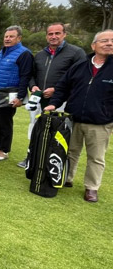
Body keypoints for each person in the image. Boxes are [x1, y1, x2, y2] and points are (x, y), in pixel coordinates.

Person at [44, 29, 113, 203]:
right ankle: (66, 178)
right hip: (73, 117)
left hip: (100, 122)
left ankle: (92, 188)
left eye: (112, 41)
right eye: (104, 41)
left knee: (96, 157)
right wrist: (55, 102)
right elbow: (63, 86)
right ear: (94, 45)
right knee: (70, 151)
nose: (109, 44)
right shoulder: (80, 65)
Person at [18, 23, 86, 167]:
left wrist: (56, 90)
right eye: (50, 34)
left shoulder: (76, 53)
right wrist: (33, 86)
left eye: (57, 33)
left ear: (64, 34)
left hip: (61, 101)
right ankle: (32, 158)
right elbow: (32, 75)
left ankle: (52, 162)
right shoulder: (41, 54)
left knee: (57, 132)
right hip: (38, 99)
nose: (53, 36)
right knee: (35, 127)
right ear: (46, 36)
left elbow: (80, 78)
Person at [0, 25, 33, 161]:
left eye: (11, 36)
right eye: (6, 36)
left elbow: (25, 76)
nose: (7, 39)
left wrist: (20, 97)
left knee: (5, 122)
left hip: (9, 94)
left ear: (19, 38)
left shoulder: (24, 54)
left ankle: (4, 150)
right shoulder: (1, 52)